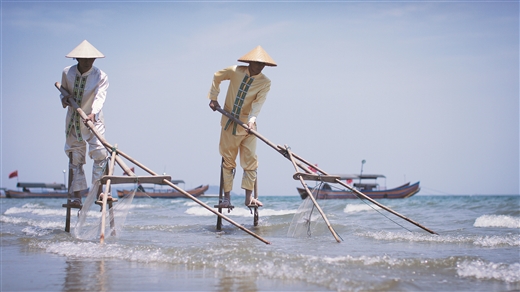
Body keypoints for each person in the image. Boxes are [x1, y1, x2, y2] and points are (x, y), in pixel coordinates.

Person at [208, 46, 277, 208]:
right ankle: (227, 199)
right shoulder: (235, 71)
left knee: (250, 161)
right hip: (229, 124)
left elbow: (258, 103)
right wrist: (213, 97)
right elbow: (217, 76)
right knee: (228, 161)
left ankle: (249, 198)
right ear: (250, 61)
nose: (260, 66)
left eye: (263, 64)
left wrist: (251, 121)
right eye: (257, 63)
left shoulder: (265, 82)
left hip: (248, 127)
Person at [59, 40, 109, 208]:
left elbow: (99, 97)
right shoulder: (67, 73)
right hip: (74, 120)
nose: (88, 62)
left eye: (91, 59)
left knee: (101, 153)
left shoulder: (100, 76)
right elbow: (64, 93)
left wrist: (92, 114)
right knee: (75, 157)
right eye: (84, 59)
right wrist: (65, 99)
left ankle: (101, 192)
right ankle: (76, 196)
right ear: (77, 59)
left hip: (93, 120)